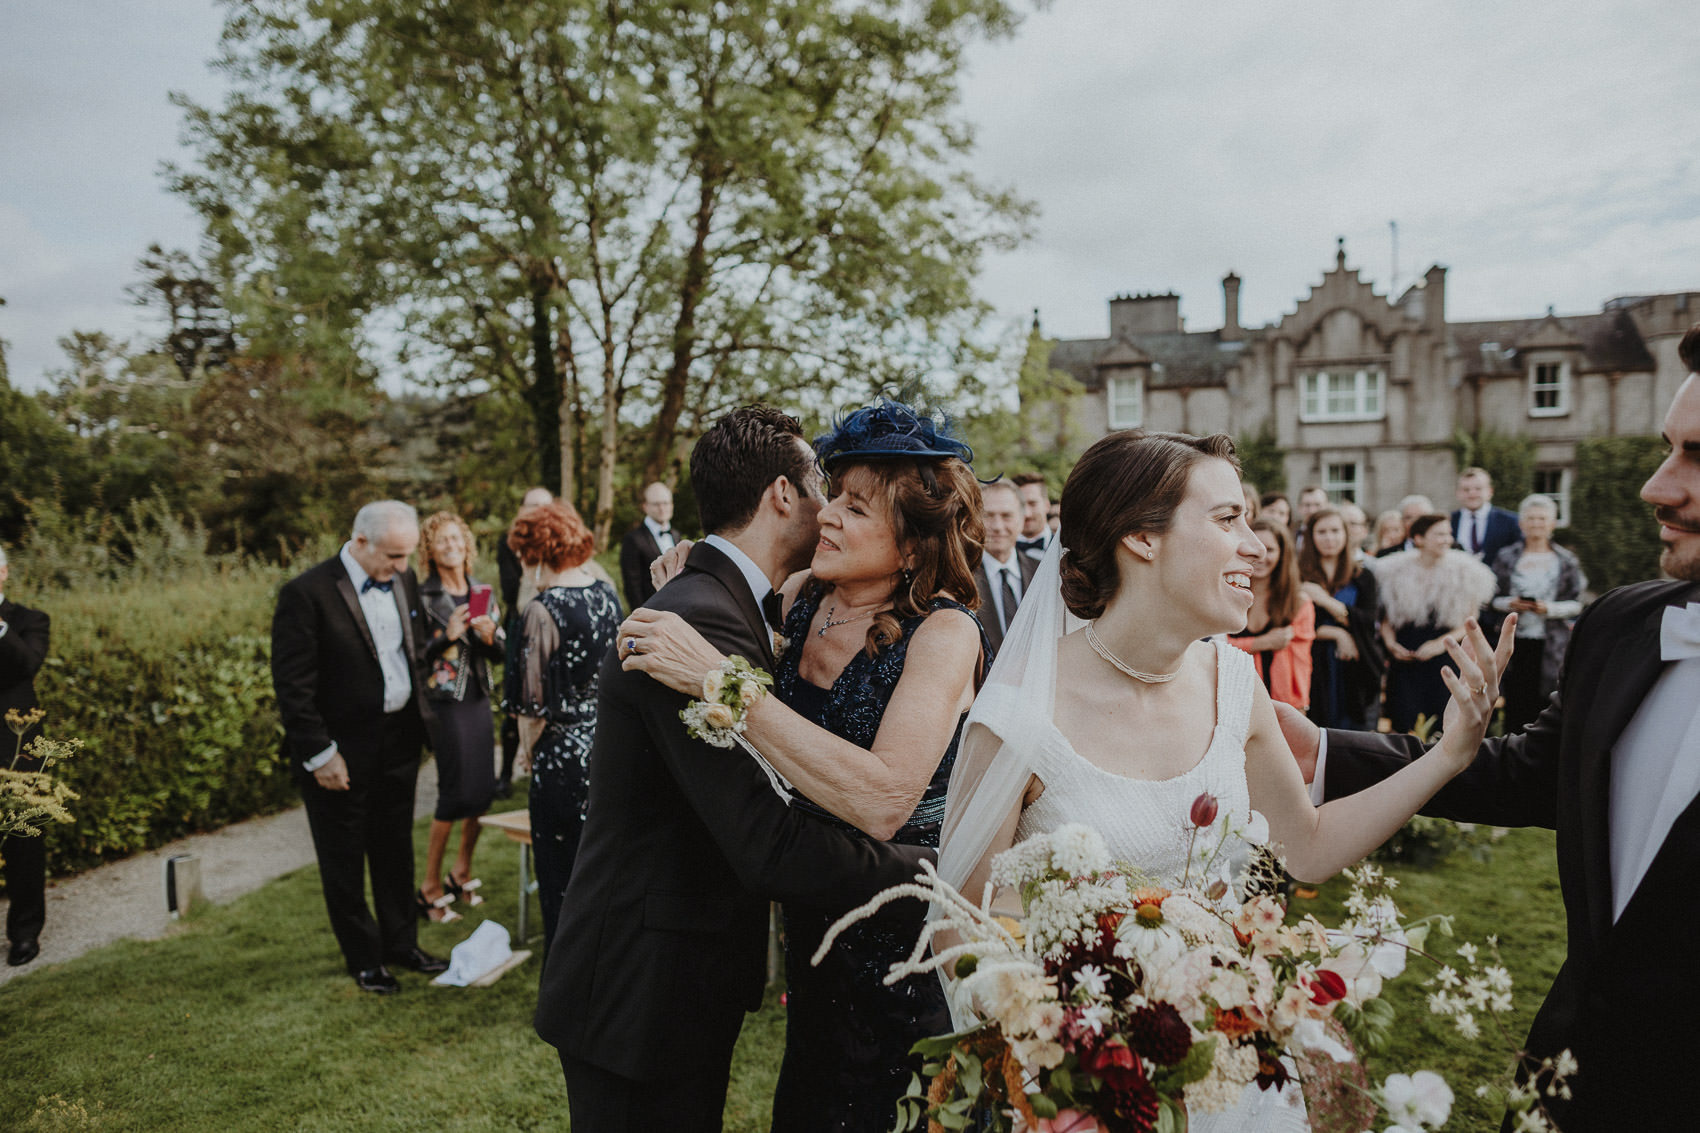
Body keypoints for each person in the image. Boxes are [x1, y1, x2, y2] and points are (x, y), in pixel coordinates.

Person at [935, 429, 1506, 1132]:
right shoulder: (1020, 710)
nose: (1260, 547)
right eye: (1228, 519)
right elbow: (960, 936)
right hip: (1087, 1097)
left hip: (1237, 1077)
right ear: (1141, 538)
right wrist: (1060, 1072)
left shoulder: (1235, 680)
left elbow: (1308, 845)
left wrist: (1447, 755)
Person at [1285, 324, 1700, 1131]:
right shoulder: (1626, 624)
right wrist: (1328, 746)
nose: (1657, 486)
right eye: (1669, 448)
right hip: (1569, 1077)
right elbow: (1530, 772)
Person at [532, 405, 931, 1133]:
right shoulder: (703, 618)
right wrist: (929, 870)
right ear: (783, 493)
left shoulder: (731, 602)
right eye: (822, 484)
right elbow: (766, 840)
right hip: (640, 993)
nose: (831, 505)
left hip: (673, 980)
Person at [620, 398, 989, 1133]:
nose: (828, 516)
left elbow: (884, 798)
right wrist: (691, 571)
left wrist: (719, 679)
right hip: (814, 946)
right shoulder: (800, 599)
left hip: (906, 953)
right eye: (834, 495)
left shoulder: (943, 633)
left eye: (854, 508)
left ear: (913, 545)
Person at [270, 501, 446, 993]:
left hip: (399, 741)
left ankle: (401, 943)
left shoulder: (402, 578)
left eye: (407, 556)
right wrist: (320, 754)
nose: (402, 568)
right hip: (341, 750)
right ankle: (365, 959)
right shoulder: (305, 594)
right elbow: (293, 687)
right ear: (360, 542)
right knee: (344, 857)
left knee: (395, 850)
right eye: (393, 556)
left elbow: (407, 653)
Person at [506, 500, 623, 952]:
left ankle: (567, 982)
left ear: (535, 554)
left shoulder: (541, 610)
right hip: (608, 746)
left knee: (560, 873)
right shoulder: (606, 594)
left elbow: (532, 706)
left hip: (562, 758)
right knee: (602, 870)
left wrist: (525, 750)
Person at [414, 511, 504, 924]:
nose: (451, 545)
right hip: (445, 702)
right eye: (442, 539)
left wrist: (491, 636)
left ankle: (461, 870)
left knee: (482, 792)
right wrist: (444, 635)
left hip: (478, 698)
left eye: (456, 538)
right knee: (453, 793)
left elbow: (500, 653)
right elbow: (415, 654)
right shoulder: (423, 597)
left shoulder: (481, 592)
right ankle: (429, 886)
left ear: (467, 545)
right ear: (430, 549)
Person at [1375, 514, 1497, 734]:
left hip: (1444, 657)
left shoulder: (1465, 571)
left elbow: (1468, 622)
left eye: (1448, 534)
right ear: (1419, 538)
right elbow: (1386, 620)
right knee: (1403, 723)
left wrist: (1439, 645)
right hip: (1405, 657)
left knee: (1442, 724)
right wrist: (1391, 645)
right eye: (1439, 534)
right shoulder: (1393, 571)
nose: (1446, 539)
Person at [1489, 495, 1586, 735]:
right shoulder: (1506, 557)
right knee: (1515, 703)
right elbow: (1490, 599)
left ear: (1552, 523)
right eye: (1531, 519)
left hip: (1551, 645)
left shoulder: (1565, 560)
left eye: (1542, 519)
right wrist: (1510, 603)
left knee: (1546, 702)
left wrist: (1549, 609)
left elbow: (1577, 603)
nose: (1536, 524)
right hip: (1514, 642)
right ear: (1521, 524)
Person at [0, 544, 50, 967]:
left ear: (3, 573)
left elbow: (26, 665)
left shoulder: (29, 620)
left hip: (15, 745)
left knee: (23, 837)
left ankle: (25, 932)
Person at [1299, 508, 1384, 729]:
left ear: (1346, 534)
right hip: (1313, 664)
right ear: (1311, 537)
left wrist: (1325, 600)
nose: (1329, 538)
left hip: (1353, 667)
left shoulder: (1363, 576)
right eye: (1322, 532)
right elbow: (1293, 622)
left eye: (1335, 531)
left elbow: (1367, 621)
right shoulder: (1298, 574)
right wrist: (1337, 633)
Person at [495, 486, 553, 797]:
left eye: (544, 506)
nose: (538, 512)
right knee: (517, 692)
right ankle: (505, 773)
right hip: (521, 622)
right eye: (532, 506)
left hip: (556, 621)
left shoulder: (560, 540)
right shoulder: (508, 543)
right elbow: (509, 590)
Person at [1229, 519, 1315, 712]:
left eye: (1270, 549)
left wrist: (1299, 711)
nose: (1260, 555)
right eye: (1254, 546)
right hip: (1230, 701)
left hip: (1279, 708)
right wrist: (1262, 643)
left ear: (1283, 554)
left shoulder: (1298, 603)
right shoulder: (1227, 594)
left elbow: (1301, 665)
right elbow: (1211, 647)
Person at [972, 479, 1039, 656]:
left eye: (1006, 516)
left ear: (1022, 519)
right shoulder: (961, 576)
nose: (997, 527)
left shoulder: (1042, 573)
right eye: (988, 516)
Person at [618, 481, 677, 608]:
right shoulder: (632, 540)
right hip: (652, 611)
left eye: (665, 503)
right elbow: (632, 586)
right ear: (645, 506)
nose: (662, 508)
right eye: (656, 504)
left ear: (671, 505)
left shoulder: (677, 535)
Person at [1450, 467, 1520, 566]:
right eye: (1466, 489)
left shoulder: (1510, 521)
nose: (1472, 493)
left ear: (1490, 492)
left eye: (1478, 488)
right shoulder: (1449, 521)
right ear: (1457, 493)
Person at [1012, 472, 1053, 560]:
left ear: (1047, 505)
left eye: (1033, 503)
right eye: (1021, 505)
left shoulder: (1066, 547)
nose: (1027, 513)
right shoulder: (999, 550)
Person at [1338, 501, 1371, 566]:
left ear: (1365, 530)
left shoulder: (1372, 566)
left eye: (1352, 523)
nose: (1346, 528)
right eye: (1343, 523)